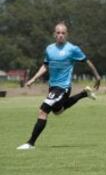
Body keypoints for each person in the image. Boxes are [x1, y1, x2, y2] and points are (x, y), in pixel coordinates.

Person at [17, 22, 101, 150]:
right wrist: (33, 79)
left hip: (63, 87)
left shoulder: (73, 49)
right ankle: (84, 93)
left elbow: (87, 61)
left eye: (63, 33)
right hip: (52, 86)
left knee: (43, 110)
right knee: (58, 111)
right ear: (54, 34)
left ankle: (30, 143)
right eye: (58, 33)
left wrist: (97, 76)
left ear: (67, 35)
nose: (60, 35)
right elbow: (45, 65)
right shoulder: (49, 49)